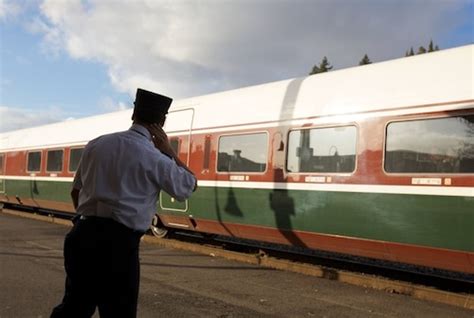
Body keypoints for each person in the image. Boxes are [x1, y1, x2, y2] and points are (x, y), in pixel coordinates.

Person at [51, 88, 197, 318]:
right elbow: (189, 185)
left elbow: (75, 191)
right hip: (118, 244)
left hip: (81, 235)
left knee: (75, 307)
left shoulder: (96, 144)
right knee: (119, 312)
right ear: (162, 122)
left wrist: (83, 222)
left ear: (133, 115)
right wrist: (170, 151)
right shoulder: (155, 157)